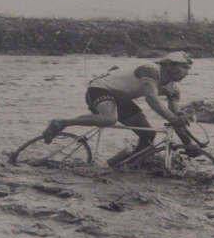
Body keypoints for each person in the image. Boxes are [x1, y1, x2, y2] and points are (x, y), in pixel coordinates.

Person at [41, 51, 202, 166]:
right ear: (170, 66)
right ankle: (61, 122)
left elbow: (175, 118)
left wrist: (188, 143)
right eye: (184, 68)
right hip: (99, 89)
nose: (187, 73)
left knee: (148, 135)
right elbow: (151, 98)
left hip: (122, 98)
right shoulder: (150, 70)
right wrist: (174, 118)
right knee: (109, 119)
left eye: (189, 69)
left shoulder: (174, 88)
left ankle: (117, 166)